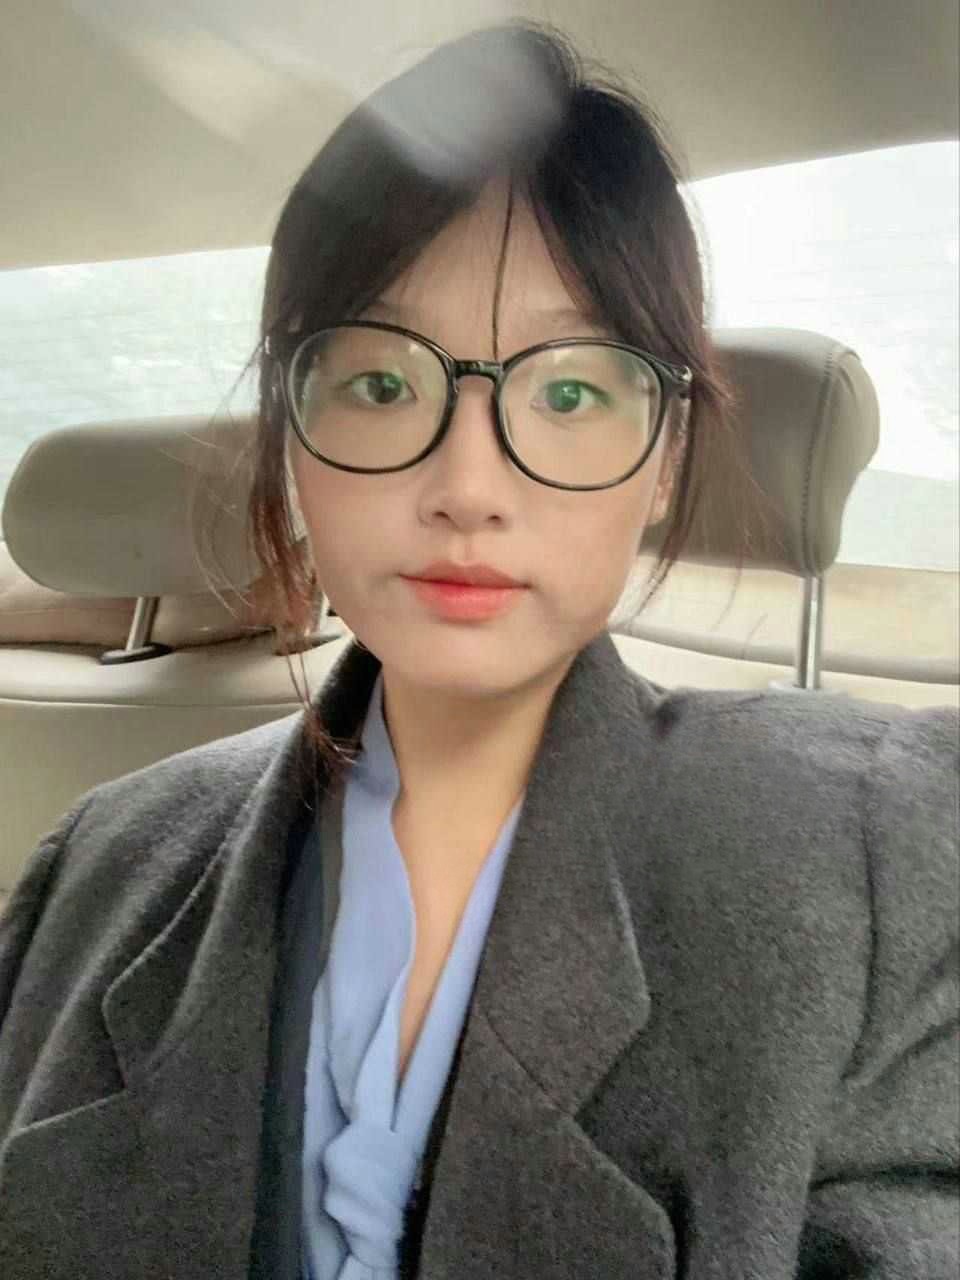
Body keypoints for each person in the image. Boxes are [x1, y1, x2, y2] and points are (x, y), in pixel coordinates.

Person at [1, 21, 957, 1280]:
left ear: (667, 456)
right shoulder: (96, 869)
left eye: (568, 392)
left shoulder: (882, 854)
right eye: (381, 383)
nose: (467, 485)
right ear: (290, 426)